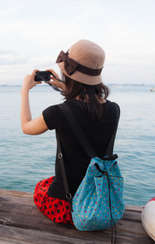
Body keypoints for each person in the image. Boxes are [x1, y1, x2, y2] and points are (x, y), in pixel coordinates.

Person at [20, 39, 120, 225]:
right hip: (100, 199)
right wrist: (61, 85)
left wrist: (25, 90)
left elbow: (26, 127)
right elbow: (87, 104)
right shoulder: (114, 110)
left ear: (68, 75)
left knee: (41, 187)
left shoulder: (58, 113)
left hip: (67, 207)